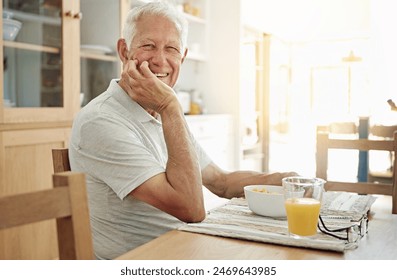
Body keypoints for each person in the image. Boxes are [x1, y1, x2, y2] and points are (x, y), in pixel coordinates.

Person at [69, 2, 296, 260]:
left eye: (171, 49)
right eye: (148, 46)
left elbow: (219, 182)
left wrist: (284, 179)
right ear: (124, 51)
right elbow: (192, 209)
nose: (160, 60)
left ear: (182, 57)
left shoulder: (162, 114)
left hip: (185, 249)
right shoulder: (101, 121)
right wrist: (170, 105)